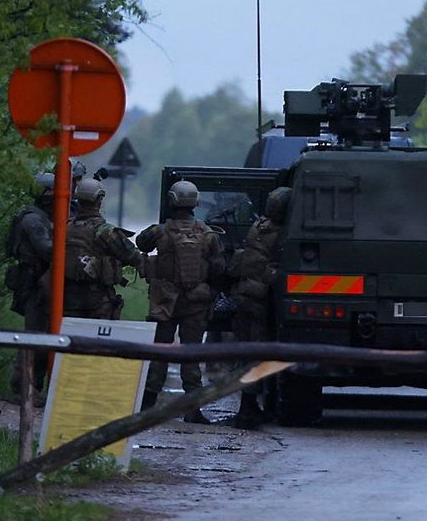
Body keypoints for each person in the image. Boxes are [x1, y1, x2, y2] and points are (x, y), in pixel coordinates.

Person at [137, 180, 226, 422]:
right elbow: (219, 268)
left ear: (171, 201)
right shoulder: (208, 234)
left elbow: (140, 243)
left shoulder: (160, 231)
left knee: (159, 353)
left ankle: (147, 408)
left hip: (165, 301)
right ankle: (193, 409)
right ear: (195, 203)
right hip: (196, 303)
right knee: (191, 354)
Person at [228, 186, 291, 429]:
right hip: (259, 300)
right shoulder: (280, 234)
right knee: (257, 355)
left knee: (247, 353)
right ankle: (247, 408)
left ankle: (250, 405)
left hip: (245, 295)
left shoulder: (258, 226)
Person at [63, 178, 143, 320]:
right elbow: (133, 256)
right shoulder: (105, 231)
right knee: (98, 341)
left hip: (66, 298)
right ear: (99, 200)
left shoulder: (65, 227)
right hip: (97, 300)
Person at [6, 172, 54, 399]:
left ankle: (32, 385)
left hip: (36, 280)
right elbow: (48, 249)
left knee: (41, 333)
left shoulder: (38, 216)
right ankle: (24, 385)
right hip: (34, 283)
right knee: (35, 334)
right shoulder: (34, 220)